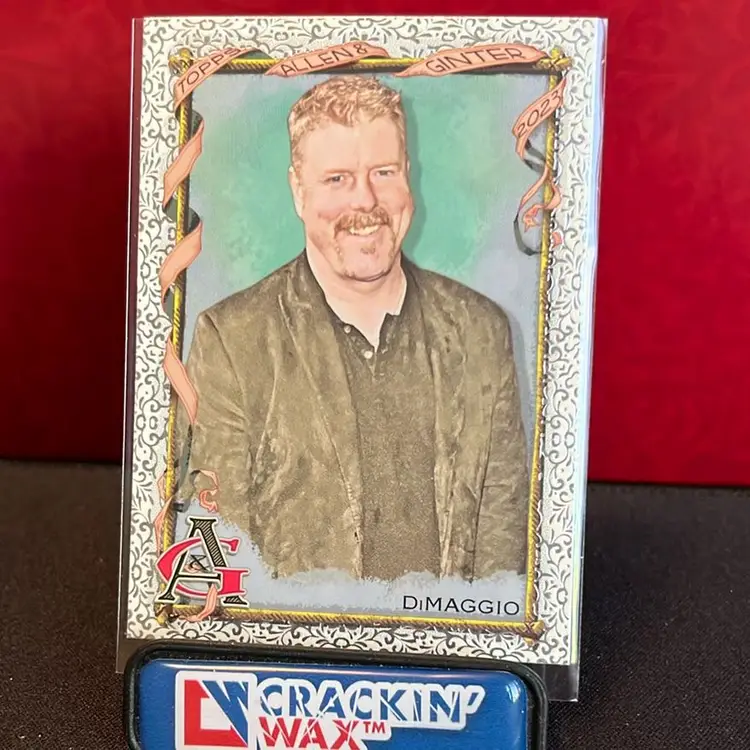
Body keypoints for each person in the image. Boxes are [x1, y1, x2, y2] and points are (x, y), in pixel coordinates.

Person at [176, 75, 529, 582]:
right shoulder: (232, 340)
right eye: (337, 179)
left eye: (383, 172)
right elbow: (221, 553)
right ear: (298, 191)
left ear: (408, 176)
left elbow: (504, 553)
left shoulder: (482, 332)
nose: (365, 201)